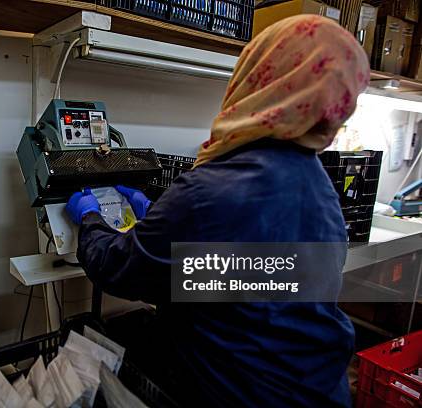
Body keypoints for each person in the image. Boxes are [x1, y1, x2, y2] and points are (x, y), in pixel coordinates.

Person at [65, 15, 370, 407]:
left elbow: (119, 270)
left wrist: (90, 219)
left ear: (259, 74)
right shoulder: (319, 188)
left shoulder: (213, 189)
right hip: (319, 391)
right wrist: (162, 219)